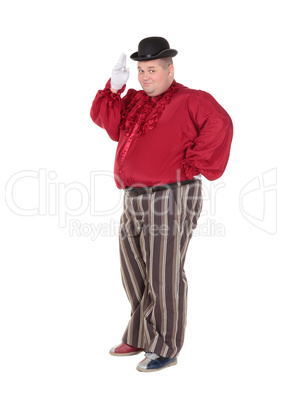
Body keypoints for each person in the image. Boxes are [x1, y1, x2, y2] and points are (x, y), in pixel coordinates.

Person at [90, 36, 233, 372]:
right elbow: (109, 124)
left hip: (172, 195)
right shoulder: (136, 100)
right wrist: (114, 89)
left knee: (163, 272)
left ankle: (166, 347)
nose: (145, 77)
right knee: (134, 268)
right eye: (141, 70)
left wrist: (192, 164)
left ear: (170, 69)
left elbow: (221, 124)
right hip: (134, 196)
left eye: (151, 69)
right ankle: (142, 334)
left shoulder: (192, 99)